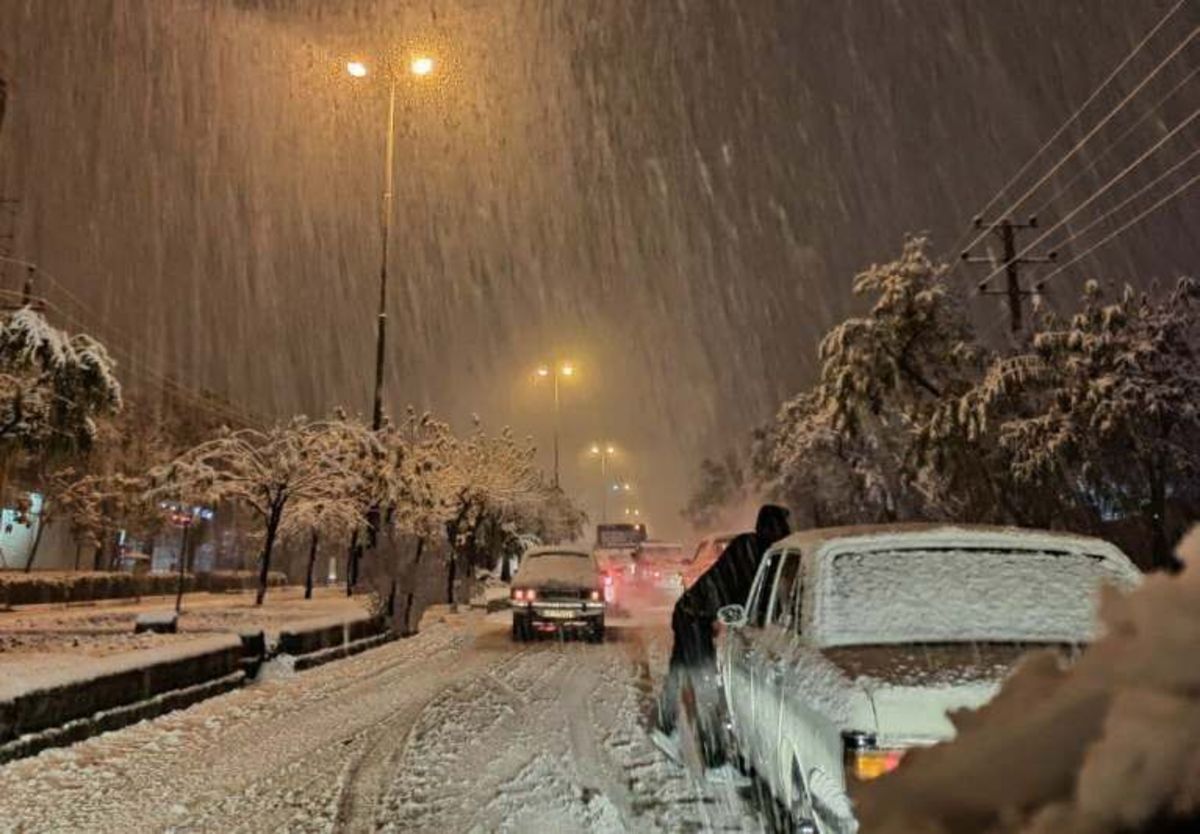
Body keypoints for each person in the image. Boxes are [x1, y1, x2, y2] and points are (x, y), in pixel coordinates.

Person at [654, 504, 791, 761]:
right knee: (705, 684)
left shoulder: (750, 546)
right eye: (782, 530)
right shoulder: (757, 554)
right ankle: (715, 761)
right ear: (775, 530)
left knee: (682, 671)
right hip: (695, 616)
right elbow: (755, 600)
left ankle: (664, 728)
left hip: (690, 612)